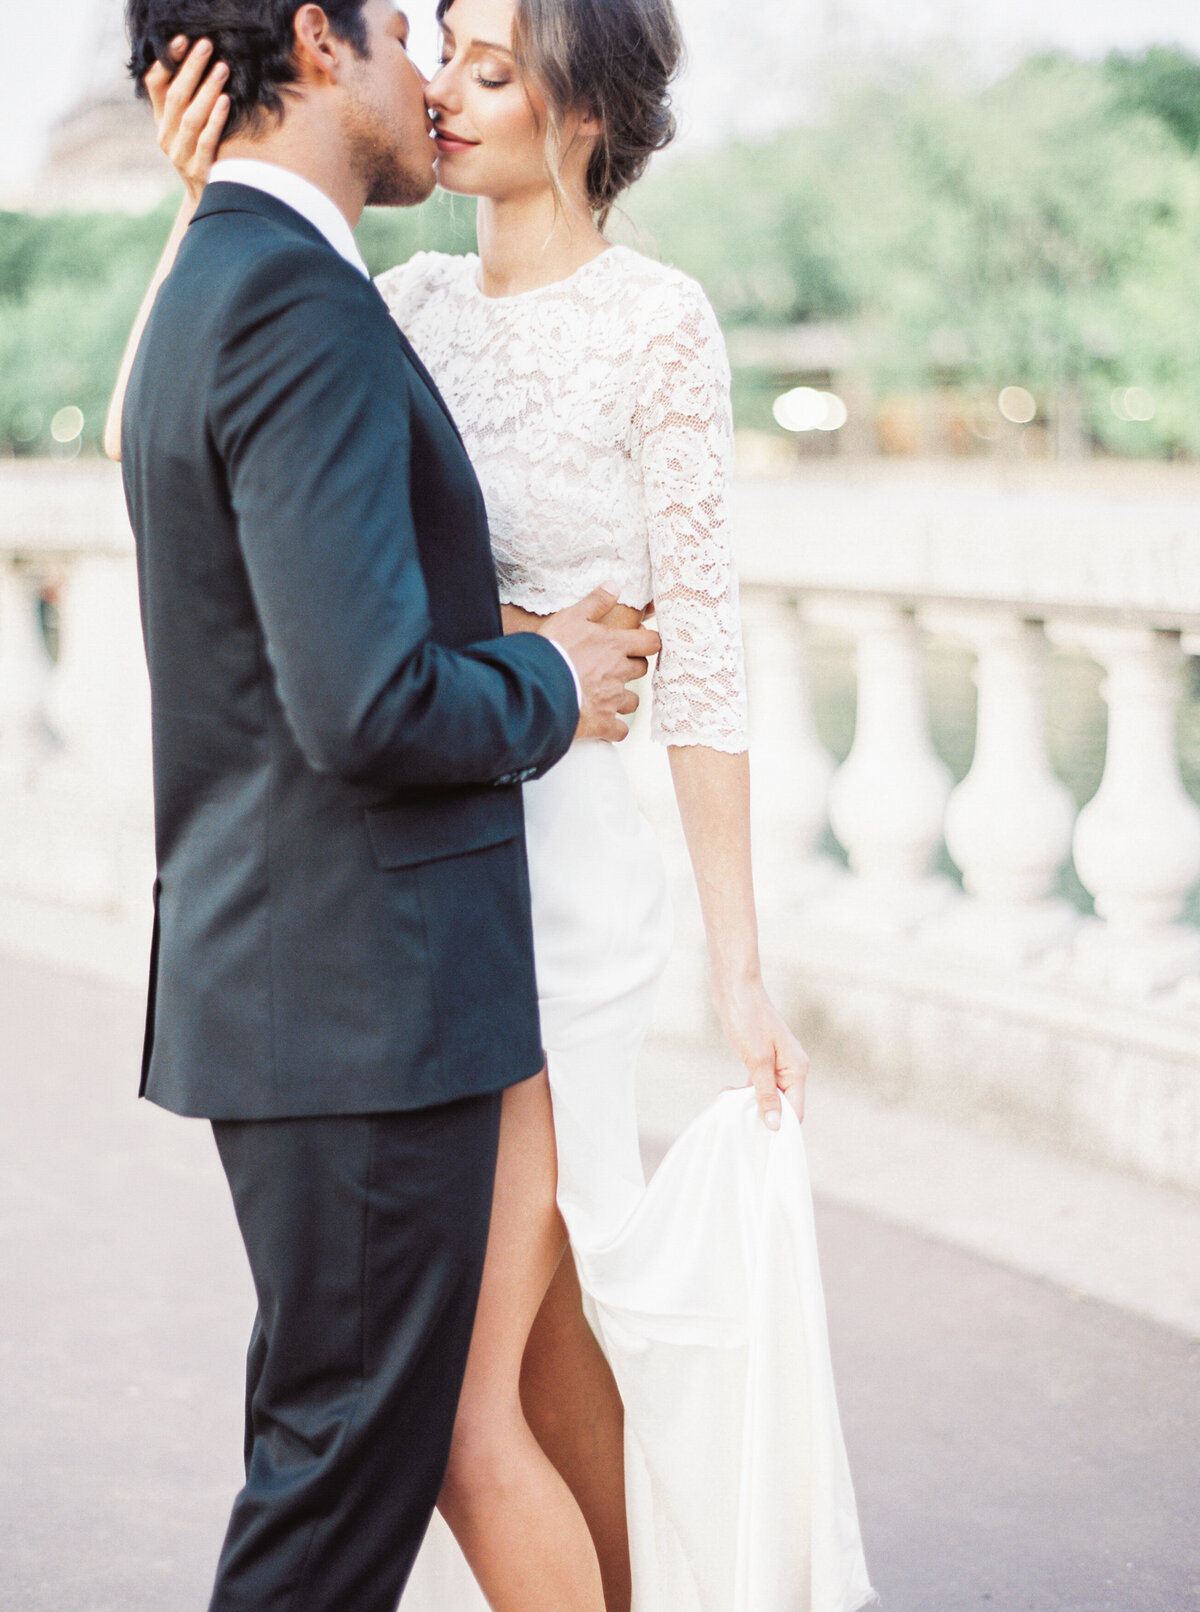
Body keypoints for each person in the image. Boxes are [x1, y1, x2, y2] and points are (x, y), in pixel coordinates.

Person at [119, 0, 878, 1606]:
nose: (444, 93)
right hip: (427, 846)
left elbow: (706, 659)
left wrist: (739, 963)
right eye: (434, 51)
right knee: (523, 1353)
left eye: (484, 65)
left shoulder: (659, 324)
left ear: (583, 111)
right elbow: (288, 539)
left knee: (487, 1376)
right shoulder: (385, 301)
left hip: (559, 870)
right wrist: (202, 208)